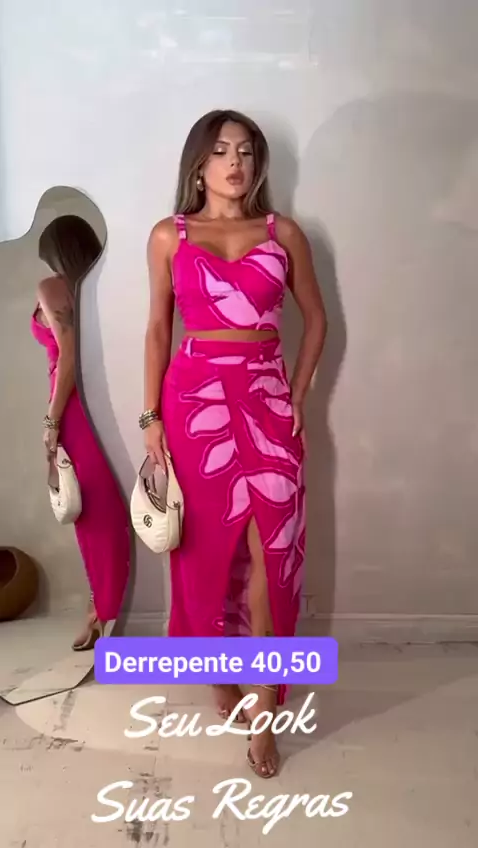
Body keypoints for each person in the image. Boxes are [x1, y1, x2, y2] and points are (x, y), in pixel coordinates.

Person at [142, 110, 327, 777]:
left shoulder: (284, 234)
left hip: (267, 400)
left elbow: (317, 319)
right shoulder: (170, 235)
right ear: (199, 163)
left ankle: (266, 712)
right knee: (206, 550)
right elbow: (158, 329)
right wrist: (150, 417)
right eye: (221, 150)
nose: (235, 162)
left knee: (271, 553)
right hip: (194, 405)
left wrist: (298, 394)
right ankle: (220, 673)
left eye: (246, 151)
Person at [31, 215, 129, 650]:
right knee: (108, 511)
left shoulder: (52, 288)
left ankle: (106, 612)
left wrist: (52, 420)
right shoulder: (107, 288)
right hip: (109, 399)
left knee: (92, 514)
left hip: (73, 405)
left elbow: (68, 355)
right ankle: (106, 609)